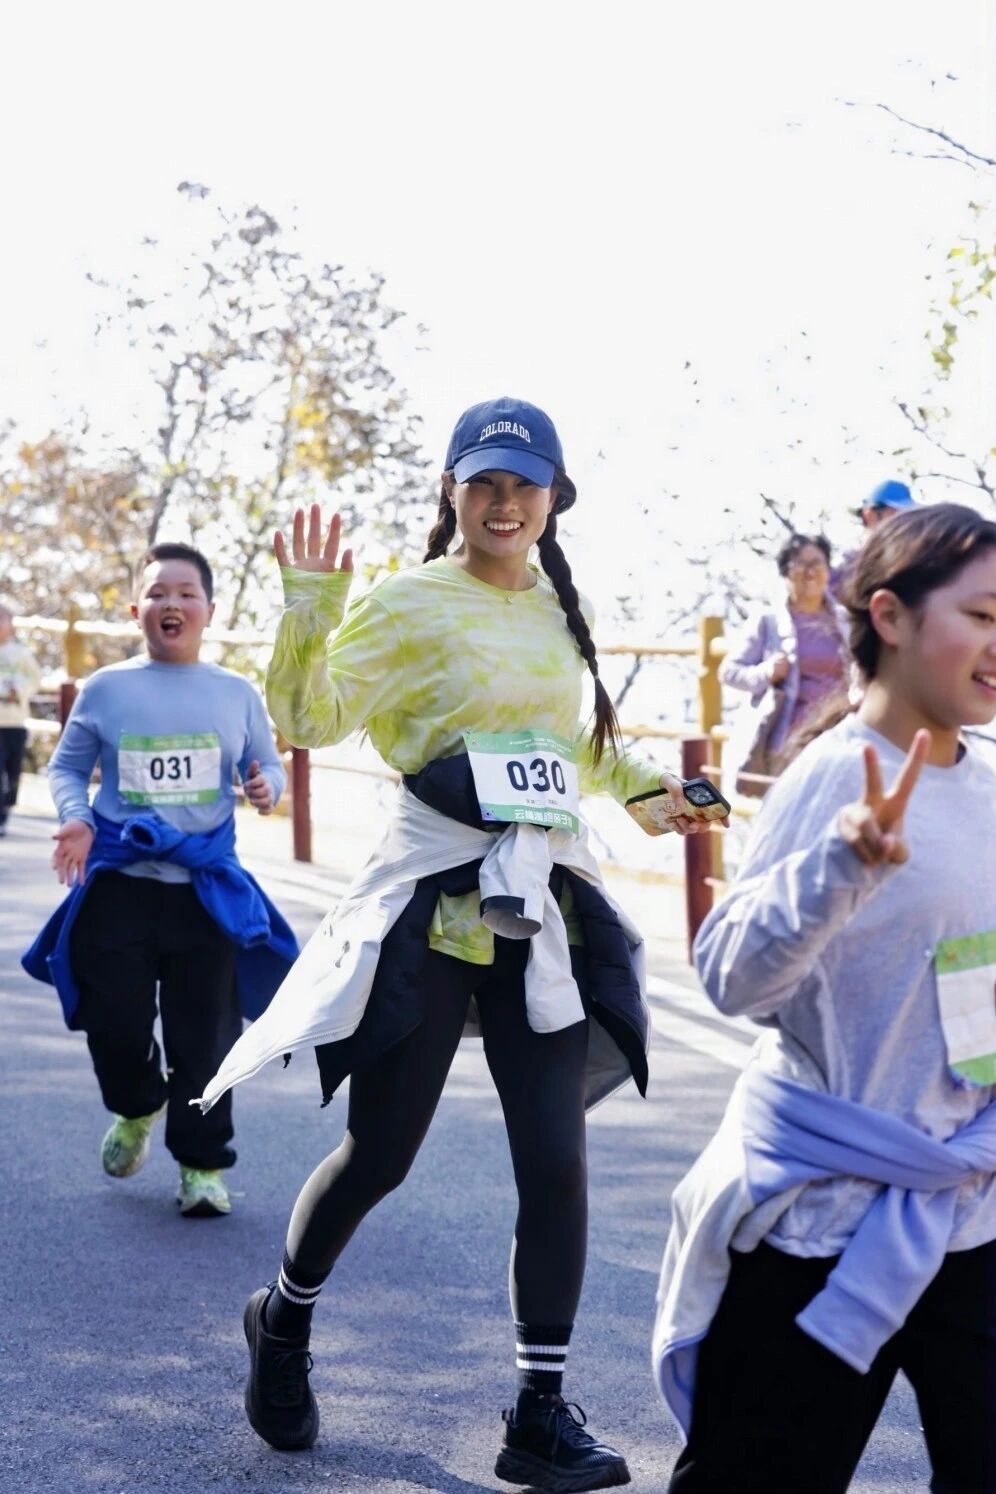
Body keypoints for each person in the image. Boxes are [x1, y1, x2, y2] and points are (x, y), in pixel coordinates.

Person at [198, 397, 721, 1489]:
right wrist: (307, 609)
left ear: (554, 500)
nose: (503, 501)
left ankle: (538, 1412)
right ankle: (282, 1326)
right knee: (383, 1153)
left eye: (524, 483)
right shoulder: (407, 602)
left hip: (533, 905)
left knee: (556, 1164)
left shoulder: (556, 612)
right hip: (429, 901)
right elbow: (308, 721)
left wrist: (655, 794)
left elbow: (567, 753)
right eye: (483, 481)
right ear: (451, 491)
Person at [654, 503, 996, 1493]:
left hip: (966, 1204)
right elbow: (730, 975)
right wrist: (841, 868)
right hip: (826, 1219)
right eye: (979, 616)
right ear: (889, 617)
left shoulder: (984, 782)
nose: (995, 645)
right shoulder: (830, 780)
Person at [22, 542, 298, 1218]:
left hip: (204, 890)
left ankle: (202, 1165)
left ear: (208, 608)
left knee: (206, 1036)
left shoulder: (236, 693)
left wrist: (266, 786)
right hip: (120, 882)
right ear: (136, 608)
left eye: (185, 593)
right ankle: (137, 1103)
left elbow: (270, 765)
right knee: (111, 1017)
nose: (171, 603)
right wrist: (76, 817)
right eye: (157, 593)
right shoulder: (108, 688)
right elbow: (65, 769)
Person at [720, 533, 850, 794]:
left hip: (839, 737)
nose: (810, 572)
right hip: (789, 741)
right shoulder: (769, 621)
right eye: (801, 565)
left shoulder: (845, 620)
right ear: (786, 573)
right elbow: (729, 671)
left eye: (817, 564)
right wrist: (766, 672)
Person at [830, 478, 917, 597]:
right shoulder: (845, 565)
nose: (903, 522)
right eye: (896, 514)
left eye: (906, 515)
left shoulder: (908, 565)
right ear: (870, 515)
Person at [0, 602, 42, 836]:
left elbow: (35, 680)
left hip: (14, 722)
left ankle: (7, 807)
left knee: (12, 770)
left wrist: (18, 690)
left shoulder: (21, 654)